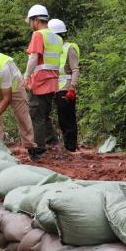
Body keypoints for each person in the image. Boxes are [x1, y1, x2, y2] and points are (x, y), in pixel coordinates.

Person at [23, 4, 63, 155]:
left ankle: (38, 149)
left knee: (36, 115)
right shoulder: (57, 38)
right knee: (44, 114)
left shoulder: (38, 35)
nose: (31, 25)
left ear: (36, 20)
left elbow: (34, 57)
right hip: (52, 81)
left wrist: (26, 76)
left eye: (31, 21)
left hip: (39, 82)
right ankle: (52, 140)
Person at [48, 18, 79, 152]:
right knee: (62, 119)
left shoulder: (69, 48)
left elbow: (75, 69)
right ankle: (68, 145)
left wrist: (72, 87)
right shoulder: (53, 49)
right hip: (56, 88)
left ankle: (71, 147)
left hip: (66, 88)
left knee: (68, 119)